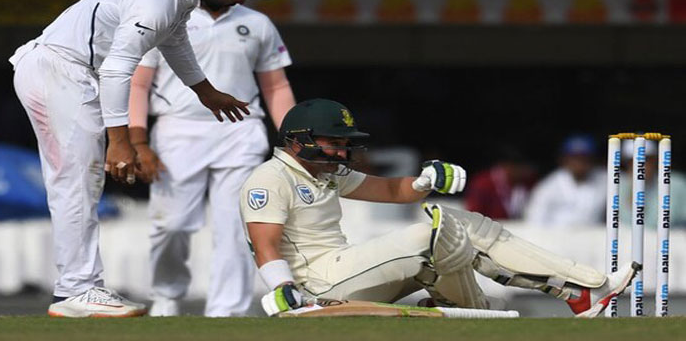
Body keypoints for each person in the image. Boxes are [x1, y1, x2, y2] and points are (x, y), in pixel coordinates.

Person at [10, 0, 277, 318]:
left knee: (80, 181)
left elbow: (174, 41)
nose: (241, 0)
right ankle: (77, 289)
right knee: (76, 181)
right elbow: (117, 70)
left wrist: (205, 91)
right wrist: (121, 142)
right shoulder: (157, 1)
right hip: (60, 71)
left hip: (68, 72)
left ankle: (77, 288)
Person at [240, 99, 638, 318]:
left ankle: (577, 291)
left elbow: (393, 191)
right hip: (319, 285)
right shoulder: (270, 179)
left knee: (457, 228)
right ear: (299, 140)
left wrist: (425, 181)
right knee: (437, 231)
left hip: (346, 271)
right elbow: (265, 245)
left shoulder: (326, 173)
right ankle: (580, 290)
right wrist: (283, 289)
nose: (343, 152)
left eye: (345, 144)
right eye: (335, 143)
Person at [128, 0, 295, 317]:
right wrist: (138, 140)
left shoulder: (257, 24)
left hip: (241, 132)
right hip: (177, 131)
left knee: (236, 226)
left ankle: (227, 310)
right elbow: (138, 84)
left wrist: (291, 140)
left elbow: (276, 86)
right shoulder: (165, 17)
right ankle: (167, 295)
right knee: (171, 225)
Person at [524, 135, 606, 227]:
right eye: (575, 158)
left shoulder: (604, 180)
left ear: (593, 159)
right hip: (554, 234)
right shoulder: (549, 185)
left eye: (584, 158)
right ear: (564, 159)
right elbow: (534, 219)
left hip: (594, 234)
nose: (580, 163)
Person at [620, 140, 686, 228]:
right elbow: (624, 224)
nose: (640, 165)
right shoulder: (618, 187)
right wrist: (633, 190)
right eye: (632, 160)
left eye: (646, 159)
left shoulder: (678, 184)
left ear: (655, 159)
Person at [464, 147, 535, 220]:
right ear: (507, 166)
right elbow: (473, 215)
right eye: (520, 168)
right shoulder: (483, 184)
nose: (524, 172)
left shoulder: (526, 182)